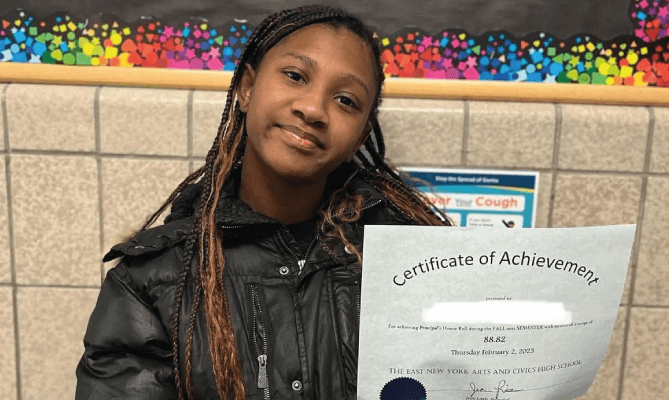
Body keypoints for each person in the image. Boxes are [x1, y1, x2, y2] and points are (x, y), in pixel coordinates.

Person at [75, 5, 452, 400]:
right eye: (295, 76)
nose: (312, 109)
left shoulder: (413, 264)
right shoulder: (151, 280)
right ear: (247, 88)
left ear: (360, 137)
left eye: (345, 100)